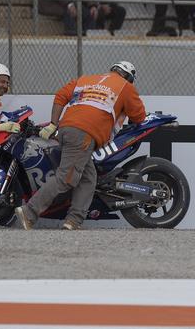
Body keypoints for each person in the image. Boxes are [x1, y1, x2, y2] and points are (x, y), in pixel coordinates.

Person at [15, 61, 146, 231]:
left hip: (66, 130)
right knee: (67, 178)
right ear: (129, 77)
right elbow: (139, 116)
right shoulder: (125, 87)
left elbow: (61, 96)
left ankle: (73, 221)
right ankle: (29, 212)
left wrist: (54, 124)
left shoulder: (86, 79)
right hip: (84, 134)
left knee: (88, 178)